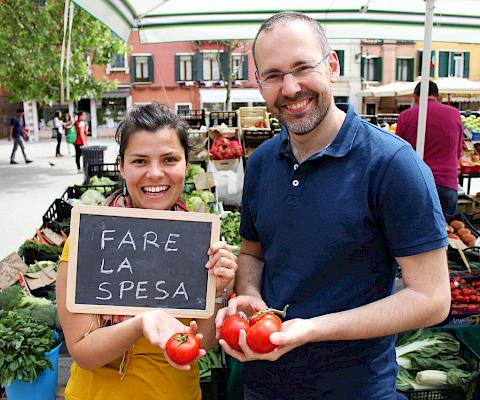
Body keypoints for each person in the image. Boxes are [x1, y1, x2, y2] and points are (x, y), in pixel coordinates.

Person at [215, 12, 450, 400]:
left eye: (302, 67)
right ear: (259, 85)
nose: (290, 88)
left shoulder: (392, 164)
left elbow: (432, 299)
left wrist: (310, 329)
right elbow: (253, 253)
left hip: (355, 389)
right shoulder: (259, 164)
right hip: (263, 385)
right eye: (273, 75)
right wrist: (251, 295)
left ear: (332, 66)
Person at [56, 103, 238, 400]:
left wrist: (218, 289)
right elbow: (83, 353)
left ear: (186, 164)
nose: (155, 174)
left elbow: (204, 341)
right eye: (140, 161)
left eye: (169, 159)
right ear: (121, 165)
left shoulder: (198, 238)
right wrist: (141, 323)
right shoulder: (87, 239)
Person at [395, 80, 464, 222]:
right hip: (447, 183)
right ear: (438, 96)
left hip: (415, 183)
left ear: (415, 97)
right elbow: (459, 151)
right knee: (447, 234)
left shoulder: (406, 116)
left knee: (415, 235)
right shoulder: (454, 114)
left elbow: (396, 153)